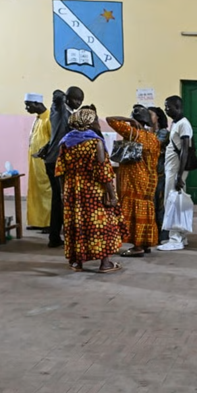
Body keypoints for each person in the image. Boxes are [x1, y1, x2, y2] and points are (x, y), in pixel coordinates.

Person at [55, 108, 126, 273]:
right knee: (101, 224)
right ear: (89, 122)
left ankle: (76, 262)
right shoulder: (96, 143)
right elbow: (103, 173)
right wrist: (112, 195)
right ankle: (105, 263)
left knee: (76, 223)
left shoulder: (65, 142)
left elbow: (60, 171)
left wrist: (63, 192)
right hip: (93, 190)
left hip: (73, 190)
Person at [105, 107, 161, 257]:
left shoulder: (133, 133)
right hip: (149, 179)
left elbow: (110, 119)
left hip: (134, 178)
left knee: (135, 211)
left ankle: (137, 247)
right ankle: (145, 243)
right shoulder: (153, 138)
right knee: (146, 210)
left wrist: (129, 121)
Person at [44, 86, 84, 248]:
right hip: (55, 160)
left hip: (61, 160)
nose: (78, 103)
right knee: (59, 199)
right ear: (67, 98)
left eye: (81, 101)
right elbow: (56, 94)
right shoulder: (59, 110)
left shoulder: (71, 114)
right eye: (75, 99)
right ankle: (54, 237)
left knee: (62, 199)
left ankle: (57, 235)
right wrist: (62, 97)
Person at [157, 96, 194, 252]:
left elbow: (186, 150)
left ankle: (175, 238)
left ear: (178, 107)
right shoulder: (176, 123)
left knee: (172, 203)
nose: (166, 110)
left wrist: (180, 175)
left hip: (176, 169)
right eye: (165, 107)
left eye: (169, 107)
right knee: (174, 202)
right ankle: (181, 236)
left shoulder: (184, 124)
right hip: (172, 168)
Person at [23, 94, 52, 231]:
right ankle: (38, 221)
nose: (26, 108)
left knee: (47, 191)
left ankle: (49, 223)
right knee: (36, 191)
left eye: (28, 105)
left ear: (37, 103)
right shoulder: (38, 119)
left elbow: (53, 141)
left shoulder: (49, 118)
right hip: (34, 162)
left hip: (44, 161)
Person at [148, 107, 171, 244]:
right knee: (150, 204)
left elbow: (153, 146)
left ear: (158, 118)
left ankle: (163, 235)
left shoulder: (163, 133)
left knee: (160, 205)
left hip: (160, 173)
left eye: (150, 115)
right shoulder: (145, 132)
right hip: (148, 174)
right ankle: (152, 235)